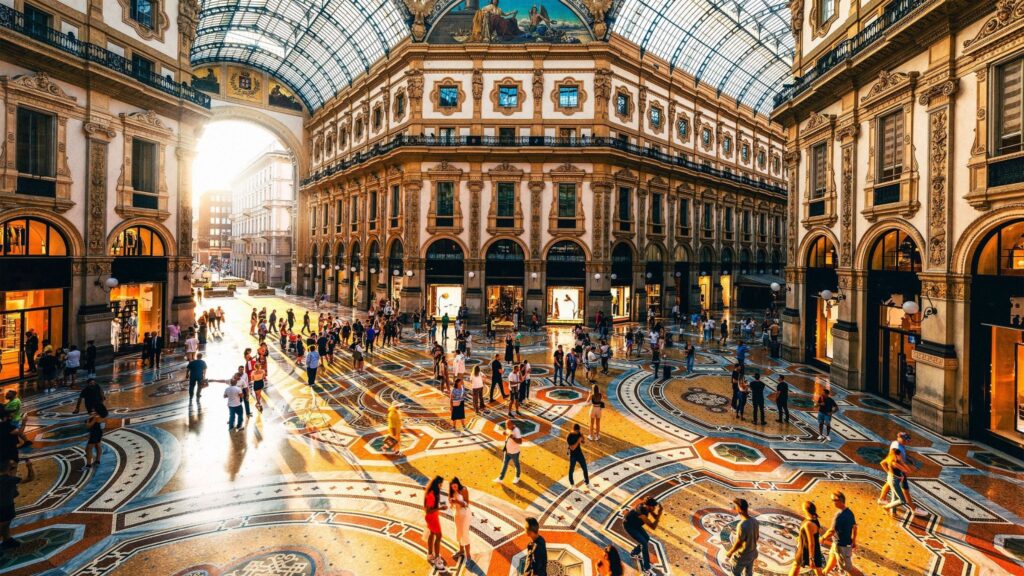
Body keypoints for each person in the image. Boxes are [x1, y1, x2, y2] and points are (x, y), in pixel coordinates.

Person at [878, 431, 927, 516]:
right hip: (899, 472)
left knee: (890, 483)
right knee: (905, 491)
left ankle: (882, 499)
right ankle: (913, 509)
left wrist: (889, 472)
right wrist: (904, 467)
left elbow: (886, 460)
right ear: (898, 438)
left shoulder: (895, 444)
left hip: (894, 473)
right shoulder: (897, 449)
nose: (906, 442)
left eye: (906, 440)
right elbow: (903, 466)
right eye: (904, 440)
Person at [820, 491, 863, 575]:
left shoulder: (839, 515)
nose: (832, 502)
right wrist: (854, 541)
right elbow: (854, 527)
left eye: (833, 500)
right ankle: (823, 573)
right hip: (837, 543)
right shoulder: (849, 512)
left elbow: (831, 531)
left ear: (839, 500)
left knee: (847, 567)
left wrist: (823, 538)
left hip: (841, 545)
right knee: (832, 559)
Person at [0, 458, 35, 550]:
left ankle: (7, 540)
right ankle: (7, 541)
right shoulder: (9, 479)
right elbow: (30, 478)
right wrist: (29, 466)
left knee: (6, 524)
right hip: (5, 506)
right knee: (3, 524)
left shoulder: (8, 478)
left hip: (7, 505)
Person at [624, 497, 662, 575]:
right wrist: (660, 513)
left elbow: (655, 517)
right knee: (644, 543)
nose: (654, 508)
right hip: (629, 526)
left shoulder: (647, 507)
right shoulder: (641, 513)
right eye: (653, 507)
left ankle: (634, 553)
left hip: (635, 524)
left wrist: (659, 513)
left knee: (646, 538)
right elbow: (653, 526)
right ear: (648, 506)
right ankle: (646, 568)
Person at [725, 498, 760, 576]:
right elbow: (757, 536)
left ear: (739, 509)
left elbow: (739, 543)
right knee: (748, 573)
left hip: (742, 556)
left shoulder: (742, 525)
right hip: (752, 553)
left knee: (735, 573)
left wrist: (730, 552)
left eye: (735, 507)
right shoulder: (754, 521)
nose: (734, 508)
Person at [789, 501, 824, 576]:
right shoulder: (814, 518)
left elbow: (811, 543)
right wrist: (800, 537)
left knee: (796, 566)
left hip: (806, 550)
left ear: (806, 510)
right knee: (818, 571)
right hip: (812, 549)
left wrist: (811, 558)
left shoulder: (808, 524)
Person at [424, 475, 448, 569]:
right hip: (432, 518)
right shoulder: (431, 495)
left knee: (432, 534)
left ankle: (430, 554)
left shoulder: (432, 492)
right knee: (439, 536)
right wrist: (440, 508)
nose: (441, 486)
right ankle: (437, 559)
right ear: (437, 484)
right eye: (440, 484)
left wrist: (438, 508)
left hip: (433, 517)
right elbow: (428, 510)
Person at [449, 477, 472, 563]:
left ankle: (468, 556)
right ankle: (461, 550)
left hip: (465, 515)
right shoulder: (452, 491)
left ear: (458, 484)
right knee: (459, 533)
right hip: (457, 514)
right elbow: (451, 504)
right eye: (452, 487)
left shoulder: (464, 490)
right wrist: (451, 502)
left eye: (455, 486)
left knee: (464, 534)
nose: (454, 488)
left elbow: (466, 504)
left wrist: (457, 501)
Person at [494, 418, 522, 484]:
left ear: (513, 424)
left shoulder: (516, 431)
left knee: (516, 465)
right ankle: (500, 478)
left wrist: (513, 437)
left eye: (508, 425)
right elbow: (506, 433)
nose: (507, 426)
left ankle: (517, 477)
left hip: (514, 452)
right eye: (506, 424)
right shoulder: (508, 428)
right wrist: (504, 433)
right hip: (507, 451)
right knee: (505, 464)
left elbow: (520, 442)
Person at [566, 423, 589, 489]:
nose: (578, 432)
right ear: (573, 430)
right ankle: (572, 484)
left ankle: (587, 482)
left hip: (579, 453)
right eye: (577, 431)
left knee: (584, 467)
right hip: (572, 455)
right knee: (571, 470)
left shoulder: (579, 433)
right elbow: (572, 448)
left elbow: (583, 442)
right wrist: (578, 441)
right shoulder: (569, 436)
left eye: (578, 431)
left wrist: (583, 438)